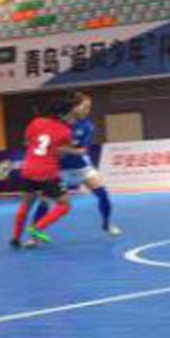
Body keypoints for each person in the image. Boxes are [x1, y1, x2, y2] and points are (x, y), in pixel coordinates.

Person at [33, 91, 121, 236]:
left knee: (103, 195)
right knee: (44, 201)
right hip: (59, 171)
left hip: (82, 168)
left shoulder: (87, 126)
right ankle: (34, 234)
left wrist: (63, 149)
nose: (88, 111)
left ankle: (107, 224)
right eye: (85, 107)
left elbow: (82, 150)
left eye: (89, 108)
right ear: (73, 107)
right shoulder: (55, 123)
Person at [10, 94, 80, 248]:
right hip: (47, 172)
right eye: (71, 114)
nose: (73, 117)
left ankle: (15, 238)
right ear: (62, 114)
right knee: (65, 205)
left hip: (29, 168)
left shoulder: (36, 122)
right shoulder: (65, 131)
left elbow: (27, 142)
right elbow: (61, 153)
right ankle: (36, 228)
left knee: (26, 205)